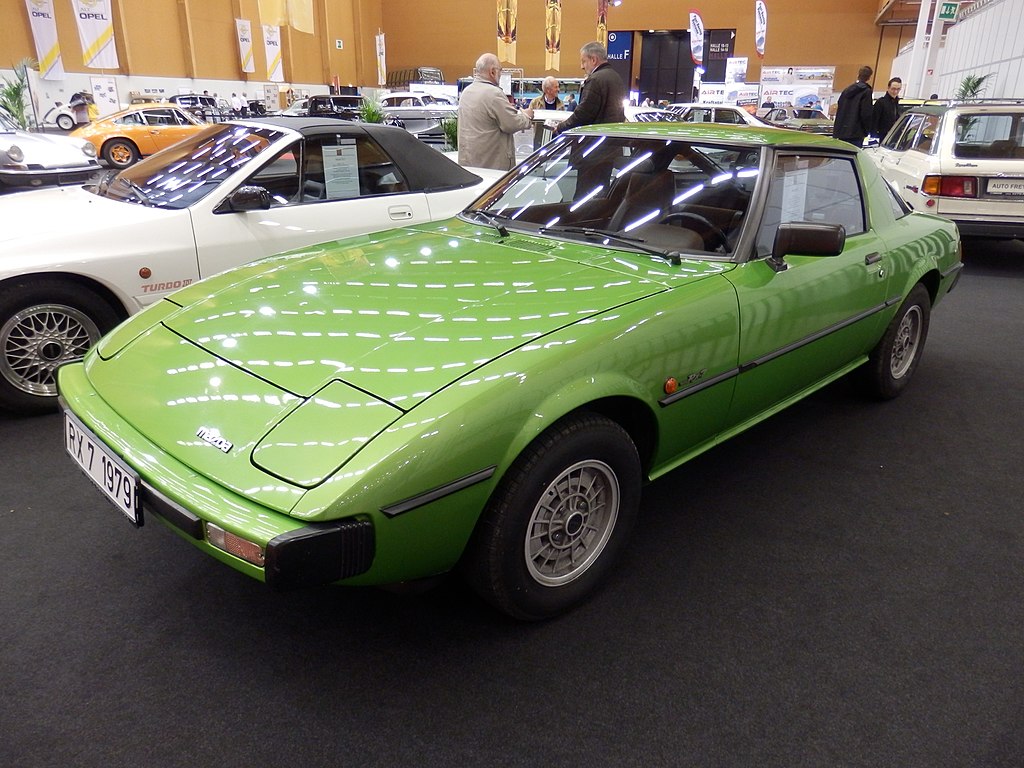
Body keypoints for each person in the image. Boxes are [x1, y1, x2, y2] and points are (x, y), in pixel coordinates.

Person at [458, 52, 533, 171]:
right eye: (500, 71)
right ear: (492, 72)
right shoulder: (494, 94)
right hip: (492, 166)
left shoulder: (466, 93)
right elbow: (511, 124)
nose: (501, 74)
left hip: (469, 164)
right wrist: (527, 117)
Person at [551, 41, 626, 136]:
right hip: (613, 142)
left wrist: (560, 127)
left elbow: (583, 114)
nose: (582, 66)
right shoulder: (616, 77)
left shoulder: (595, 80)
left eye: (583, 61)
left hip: (594, 143)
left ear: (593, 60)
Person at [833, 65, 874, 146]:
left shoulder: (846, 90)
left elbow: (839, 107)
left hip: (842, 132)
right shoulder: (866, 92)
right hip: (856, 133)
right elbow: (866, 114)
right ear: (869, 77)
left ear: (858, 75)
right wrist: (866, 130)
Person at [528, 76, 563, 148]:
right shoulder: (535, 102)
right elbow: (529, 121)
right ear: (548, 90)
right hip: (538, 141)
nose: (558, 89)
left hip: (555, 141)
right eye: (556, 87)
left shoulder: (561, 104)